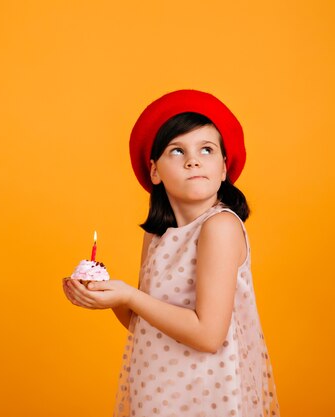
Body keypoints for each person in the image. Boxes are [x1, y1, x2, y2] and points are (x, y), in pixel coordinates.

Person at [62, 90, 280, 417]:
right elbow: (143, 323)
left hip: (207, 398)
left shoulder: (220, 227)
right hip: (155, 391)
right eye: (177, 150)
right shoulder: (157, 235)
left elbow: (208, 335)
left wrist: (129, 295)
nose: (192, 160)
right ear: (154, 171)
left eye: (206, 149)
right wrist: (106, 295)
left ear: (223, 167)